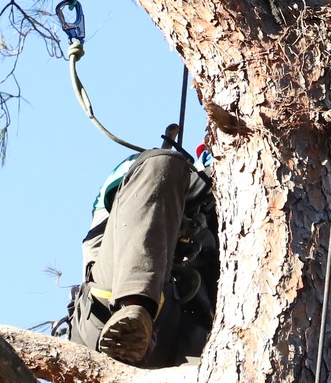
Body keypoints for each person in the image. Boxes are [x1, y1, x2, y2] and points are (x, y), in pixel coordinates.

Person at [68, 143, 219, 366]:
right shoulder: (142, 167)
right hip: (106, 310)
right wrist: (212, 180)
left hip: (176, 339)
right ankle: (133, 307)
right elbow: (149, 180)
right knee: (162, 163)